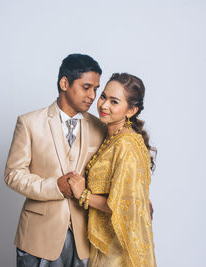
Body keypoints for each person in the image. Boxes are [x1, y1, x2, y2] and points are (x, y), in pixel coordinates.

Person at [4, 54, 106, 266]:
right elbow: (13, 174)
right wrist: (55, 187)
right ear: (64, 83)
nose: (92, 95)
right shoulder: (29, 122)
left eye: (96, 89)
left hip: (85, 237)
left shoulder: (100, 128)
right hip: (38, 235)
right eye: (86, 87)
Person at [68, 73, 157, 266]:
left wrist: (82, 195)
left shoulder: (126, 145)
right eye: (103, 97)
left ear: (131, 111)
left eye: (114, 101)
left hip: (117, 252)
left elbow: (120, 205)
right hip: (105, 243)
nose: (104, 105)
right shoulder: (112, 136)